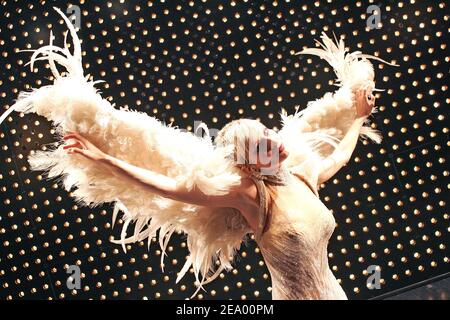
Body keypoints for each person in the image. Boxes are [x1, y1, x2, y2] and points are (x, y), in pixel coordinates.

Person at [5, 8, 395, 299]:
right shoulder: (250, 197)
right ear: (248, 164)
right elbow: (170, 188)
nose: (276, 144)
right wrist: (104, 159)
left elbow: (338, 158)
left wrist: (358, 120)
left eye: (270, 137)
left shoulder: (303, 178)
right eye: (263, 145)